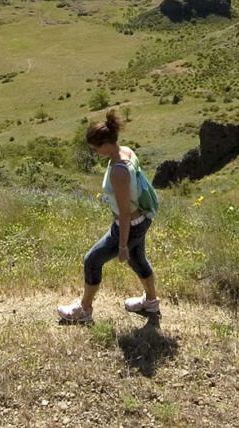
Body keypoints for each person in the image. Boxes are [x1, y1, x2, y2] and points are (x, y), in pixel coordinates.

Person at [58, 110, 160, 323]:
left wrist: (122, 246)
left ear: (105, 144)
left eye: (96, 149)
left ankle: (83, 311)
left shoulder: (118, 171)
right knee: (138, 260)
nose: (95, 153)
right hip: (140, 221)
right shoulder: (127, 152)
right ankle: (151, 302)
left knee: (92, 260)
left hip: (129, 225)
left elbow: (124, 214)